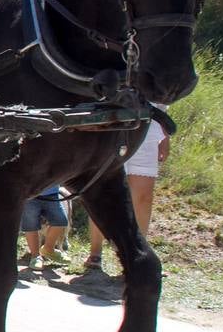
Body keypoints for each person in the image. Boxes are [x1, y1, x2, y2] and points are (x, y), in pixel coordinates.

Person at [87, 115, 170, 271]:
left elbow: (162, 103)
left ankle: (137, 257)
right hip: (114, 124)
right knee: (102, 192)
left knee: (143, 198)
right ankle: (95, 252)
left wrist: (165, 137)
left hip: (148, 127)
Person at [18, 185, 69, 272]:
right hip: (29, 194)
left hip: (52, 193)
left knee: (60, 220)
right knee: (30, 225)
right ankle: (35, 256)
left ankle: (49, 248)